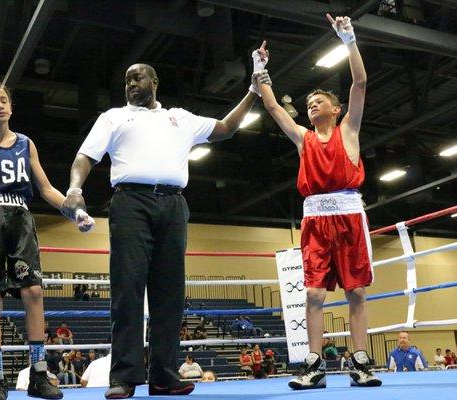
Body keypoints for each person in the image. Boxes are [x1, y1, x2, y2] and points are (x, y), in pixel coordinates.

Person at [62, 56, 260, 398]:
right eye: (126, 80)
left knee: (170, 294)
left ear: (155, 82)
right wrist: (75, 188)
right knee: (128, 288)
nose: (131, 85)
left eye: (137, 78)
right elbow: (85, 157)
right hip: (130, 203)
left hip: (173, 204)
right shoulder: (114, 117)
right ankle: (123, 377)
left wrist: (253, 91)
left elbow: (225, 129)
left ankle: (164, 376)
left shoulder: (180, 118)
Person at [254, 15, 381, 389]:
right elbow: (275, 107)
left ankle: (359, 360)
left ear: (335, 108)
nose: (312, 104)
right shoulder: (302, 139)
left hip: (349, 217)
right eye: (309, 102)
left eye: (319, 100)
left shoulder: (349, 130)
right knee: (312, 294)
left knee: (356, 291)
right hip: (315, 221)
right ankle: (313, 365)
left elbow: (359, 81)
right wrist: (260, 70)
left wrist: (349, 40)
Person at [0, 81, 94, 400]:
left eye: (4, 100)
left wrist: (74, 212)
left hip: (21, 218)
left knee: (33, 291)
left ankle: (38, 376)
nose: (0, 106)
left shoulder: (26, 143)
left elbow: (45, 188)